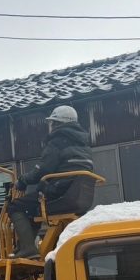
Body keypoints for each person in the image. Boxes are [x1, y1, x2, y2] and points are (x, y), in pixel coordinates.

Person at [9, 105, 94, 258]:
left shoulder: (57, 141)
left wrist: (22, 181)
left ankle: (28, 248)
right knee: (32, 208)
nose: (51, 126)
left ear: (58, 123)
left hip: (59, 192)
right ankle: (26, 247)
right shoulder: (84, 145)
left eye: (53, 123)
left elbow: (43, 170)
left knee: (16, 206)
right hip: (76, 196)